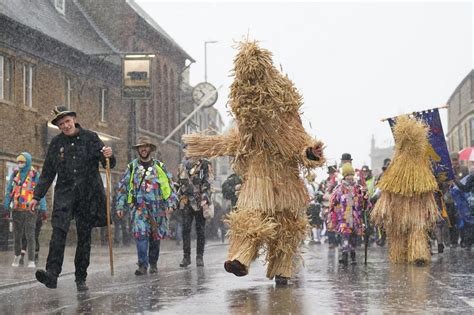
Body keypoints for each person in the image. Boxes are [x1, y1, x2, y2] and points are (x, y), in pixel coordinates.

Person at [30, 106, 115, 291]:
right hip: (65, 195)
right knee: (58, 232)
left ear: (74, 119)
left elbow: (108, 162)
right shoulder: (56, 144)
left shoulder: (91, 138)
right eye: (61, 124)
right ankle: (52, 274)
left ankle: (80, 278)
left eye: (67, 121)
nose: (65, 126)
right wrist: (36, 196)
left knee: (84, 237)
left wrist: (109, 155)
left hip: (87, 195)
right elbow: (47, 173)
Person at [115, 136, 177, 275]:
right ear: (138, 150)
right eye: (140, 147)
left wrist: (171, 203)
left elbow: (169, 186)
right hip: (139, 208)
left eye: (145, 146)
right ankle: (142, 264)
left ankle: (153, 263)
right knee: (140, 235)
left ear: (150, 148)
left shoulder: (159, 167)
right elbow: (123, 187)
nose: (143, 149)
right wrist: (120, 205)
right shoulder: (132, 167)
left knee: (155, 238)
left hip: (157, 208)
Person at [4, 152, 47, 268]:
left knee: (30, 234)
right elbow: (9, 192)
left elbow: (40, 192)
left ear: (27, 162)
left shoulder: (34, 175)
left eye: (22, 162)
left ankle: (31, 260)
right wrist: (6, 207)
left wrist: (43, 208)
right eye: (19, 162)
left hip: (31, 210)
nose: (20, 164)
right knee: (17, 235)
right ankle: (17, 255)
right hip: (17, 209)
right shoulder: (15, 174)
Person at [177, 156, 212, 267]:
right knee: (186, 228)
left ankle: (199, 257)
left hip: (200, 200)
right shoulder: (183, 164)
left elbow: (208, 181)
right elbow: (179, 182)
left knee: (200, 229)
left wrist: (205, 197)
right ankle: (186, 257)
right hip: (186, 201)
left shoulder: (205, 164)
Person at [329, 163, 366, 265]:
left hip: (355, 218)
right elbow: (333, 202)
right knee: (345, 236)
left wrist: (365, 198)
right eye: (347, 175)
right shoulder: (339, 188)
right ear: (344, 176)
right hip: (343, 218)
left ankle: (353, 256)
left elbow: (363, 202)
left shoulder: (358, 188)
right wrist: (334, 215)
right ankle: (344, 255)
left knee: (354, 237)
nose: (350, 177)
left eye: (351, 175)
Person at [445, 152, 469, 247]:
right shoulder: (447, 171)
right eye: (453, 161)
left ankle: (464, 240)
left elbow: (466, 181)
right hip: (450, 199)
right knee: (451, 221)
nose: (455, 163)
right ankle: (453, 241)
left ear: (458, 160)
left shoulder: (464, 169)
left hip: (460, 198)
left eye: (456, 160)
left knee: (462, 220)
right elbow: (444, 183)